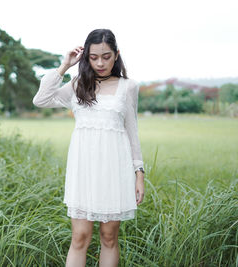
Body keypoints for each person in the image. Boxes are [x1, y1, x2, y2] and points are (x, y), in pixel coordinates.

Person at [32, 29, 145, 267]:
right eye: (93, 57)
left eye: (106, 56)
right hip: (83, 170)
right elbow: (41, 100)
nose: (100, 63)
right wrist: (64, 66)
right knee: (80, 237)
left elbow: (132, 133)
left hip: (115, 170)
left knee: (109, 237)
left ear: (117, 55)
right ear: (86, 57)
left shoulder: (129, 87)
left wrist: (139, 173)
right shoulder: (77, 85)